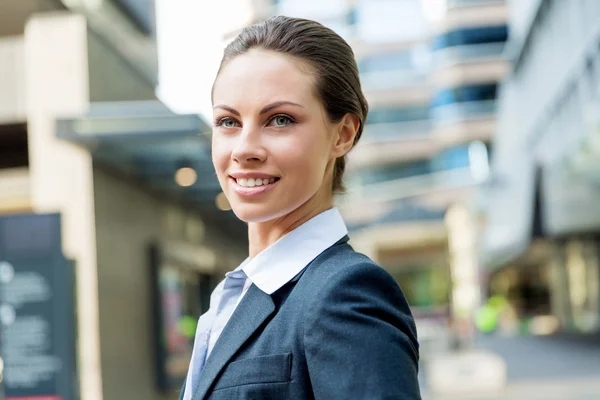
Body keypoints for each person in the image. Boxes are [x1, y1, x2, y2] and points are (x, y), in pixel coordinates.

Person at [180, 16, 421, 400]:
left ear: (342, 134)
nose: (244, 149)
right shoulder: (234, 297)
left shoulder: (346, 293)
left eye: (279, 120)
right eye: (228, 121)